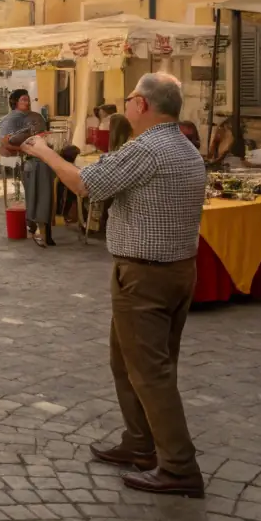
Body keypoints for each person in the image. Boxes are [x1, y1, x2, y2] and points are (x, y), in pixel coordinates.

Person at [22, 73, 207, 499]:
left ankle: (178, 466)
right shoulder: (182, 146)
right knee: (128, 363)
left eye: (129, 99)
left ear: (142, 104)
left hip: (145, 275)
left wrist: (46, 153)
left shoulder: (147, 148)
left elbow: (86, 185)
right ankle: (140, 443)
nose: (125, 105)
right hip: (176, 270)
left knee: (149, 372)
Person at [0, 89, 52, 245]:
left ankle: (43, 226)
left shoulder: (37, 117)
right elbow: (4, 143)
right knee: (30, 194)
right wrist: (23, 148)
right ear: (15, 101)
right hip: (22, 161)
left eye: (28, 99)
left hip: (41, 159)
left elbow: (44, 136)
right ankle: (31, 222)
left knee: (44, 193)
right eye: (23, 99)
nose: (27, 102)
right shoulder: (9, 119)